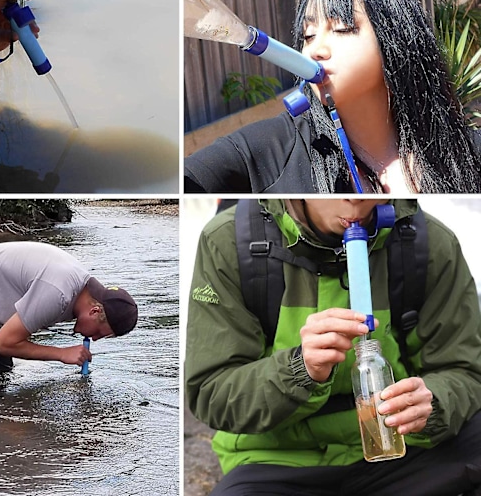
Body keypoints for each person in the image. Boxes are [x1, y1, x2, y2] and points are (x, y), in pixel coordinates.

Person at [185, 199, 481, 495]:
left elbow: (466, 370)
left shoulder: (429, 241)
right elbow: (211, 391)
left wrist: (434, 404)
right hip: (276, 461)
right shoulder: (229, 240)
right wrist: (299, 369)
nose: (355, 198)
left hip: (405, 453)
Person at [184, 0, 481, 194]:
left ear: (397, 41)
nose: (316, 50)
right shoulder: (268, 148)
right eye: (308, 35)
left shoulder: (467, 152)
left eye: (341, 29)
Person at [0, 241, 138, 379]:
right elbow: (3, 344)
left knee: (3, 372)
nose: (95, 339)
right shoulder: (58, 293)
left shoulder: (80, 291)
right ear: (94, 311)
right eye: (101, 333)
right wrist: (62, 354)